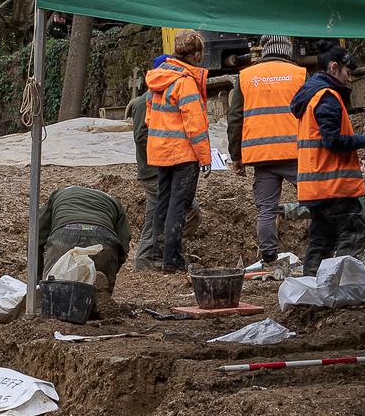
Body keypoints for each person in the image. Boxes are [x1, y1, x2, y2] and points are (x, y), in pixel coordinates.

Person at [291, 45, 365, 273]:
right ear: (334, 67)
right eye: (347, 72)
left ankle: (312, 288)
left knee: (321, 241)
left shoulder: (311, 96)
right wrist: (361, 140)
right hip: (334, 187)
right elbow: (332, 141)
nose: (349, 79)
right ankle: (341, 284)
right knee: (353, 236)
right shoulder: (327, 97)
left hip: (316, 187)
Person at [226, 34, 305, 264]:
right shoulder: (300, 74)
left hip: (262, 157)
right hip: (295, 153)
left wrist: (236, 157)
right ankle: (323, 247)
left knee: (266, 209)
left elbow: (235, 119)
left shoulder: (246, 76)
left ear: (266, 50)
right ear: (287, 51)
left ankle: (269, 257)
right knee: (316, 198)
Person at [139, 30, 210, 273]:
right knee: (179, 205)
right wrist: (205, 157)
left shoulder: (158, 79)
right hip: (183, 154)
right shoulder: (185, 82)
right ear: (196, 54)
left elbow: (149, 117)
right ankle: (173, 258)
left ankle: (158, 255)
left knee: (163, 202)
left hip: (161, 152)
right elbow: (196, 126)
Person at [36, 183, 131, 311]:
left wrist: (39, 278)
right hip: (103, 238)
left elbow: (36, 236)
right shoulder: (113, 202)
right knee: (93, 306)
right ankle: (97, 298)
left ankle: (58, 308)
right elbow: (123, 242)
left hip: (64, 236)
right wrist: (111, 267)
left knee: (53, 292)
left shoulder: (57, 195)